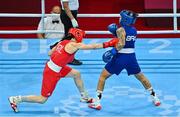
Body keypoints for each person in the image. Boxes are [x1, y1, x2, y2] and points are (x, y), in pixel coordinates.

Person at [8, 28, 120, 113]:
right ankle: (16, 99)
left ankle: (84, 96)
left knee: (77, 74)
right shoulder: (73, 45)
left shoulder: (62, 42)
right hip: (52, 72)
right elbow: (93, 47)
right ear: (78, 36)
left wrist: (58, 51)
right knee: (42, 99)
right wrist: (108, 44)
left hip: (57, 67)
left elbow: (49, 53)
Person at [88, 10, 161, 110]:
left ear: (125, 19)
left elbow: (122, 43)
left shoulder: (120, 30)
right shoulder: (134, 30)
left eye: (121, 17)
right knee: (141, 77)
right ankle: (155, 98)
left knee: (103, 76)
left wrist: (113, 51)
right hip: (131, 57)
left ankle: (97, 102)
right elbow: (126, 40)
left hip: (120, 57)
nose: (119, 18)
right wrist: (115, 34)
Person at [59, 0, 82, 65]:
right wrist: (72, 19)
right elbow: (65, 6)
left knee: (69, 37)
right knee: (72, 38)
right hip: (68, 15)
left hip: (71, 14)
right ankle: (69, 59)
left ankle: (55, 50)